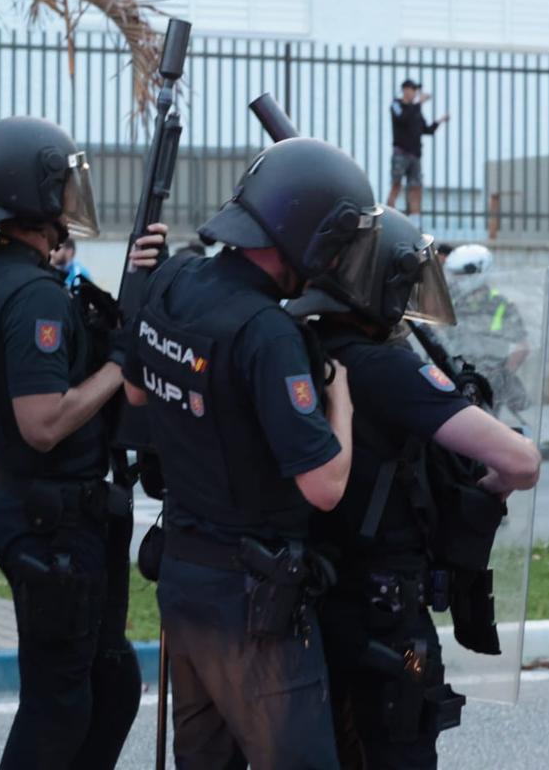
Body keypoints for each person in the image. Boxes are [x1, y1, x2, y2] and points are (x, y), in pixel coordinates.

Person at [123, 137, 379, 769]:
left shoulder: (176, 277)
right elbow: (323, 485)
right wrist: (339, 403)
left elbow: (133, 389)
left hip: (184, 579)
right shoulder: (268, 332)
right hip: (253, 608)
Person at [287, 208, 542, 769]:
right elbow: (521, 462)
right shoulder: (388, 369)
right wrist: (486, 487)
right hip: (383, 608)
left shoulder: (295, 347)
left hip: (309, 596)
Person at [0, 115, 167, 770]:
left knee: (109, 684)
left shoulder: (1, 276)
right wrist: (120, 365)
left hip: (57, 510)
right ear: (36, 195)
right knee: (61, 704)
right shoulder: (31, 297)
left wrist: (133, 285)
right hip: (52, 519)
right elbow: (43, 421)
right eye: (64, 184)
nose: (74, 197)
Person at [443, 244, 530, 420]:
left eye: (460, 274)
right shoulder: (449, 302)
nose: (455, 279)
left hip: (486, 385)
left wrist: (501, 380)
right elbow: (436, 335)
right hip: (452, 379)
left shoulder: (500, 305)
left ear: (478, 272)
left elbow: (522, 346)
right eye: (454, 274)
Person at [387, 80, 449, 216]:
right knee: (396, 185)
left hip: (415, 155)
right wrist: (418, 103)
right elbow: (403, 118)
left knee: (416, 188)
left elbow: (426, 129)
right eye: (411, 89)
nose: (414, 92)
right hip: (400, 154)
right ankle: (389, 216)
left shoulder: (416, 110)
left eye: (415, 90)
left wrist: (440, 121)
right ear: (404, 89)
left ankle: (415, 222)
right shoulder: (396, 105)